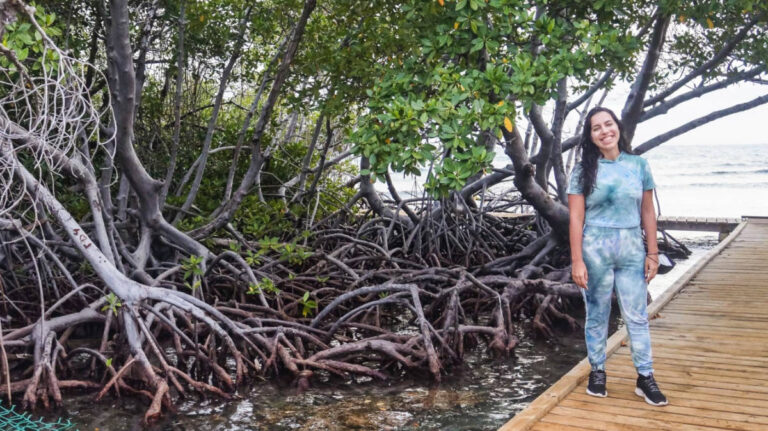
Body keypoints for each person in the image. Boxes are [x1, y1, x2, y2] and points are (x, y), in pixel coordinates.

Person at [566, 107, 668, 406]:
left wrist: (653, 252)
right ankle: (598, 371)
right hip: (594, 251)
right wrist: (577, 260)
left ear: (617, 128)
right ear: (591, 136)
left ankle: (645, 377)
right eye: (596, 128)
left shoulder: (638, 165)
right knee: (596, 314)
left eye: (608, 124)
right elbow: (575, 218)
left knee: (637, 316)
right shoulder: (583, 170)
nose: (604, 131)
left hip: (631, 251)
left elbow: (647, 211)